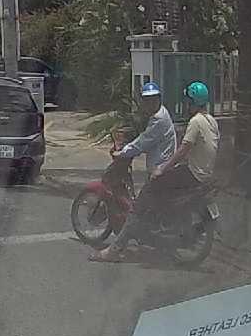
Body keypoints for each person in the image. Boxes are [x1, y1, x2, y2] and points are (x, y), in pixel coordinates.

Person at [92, 81, 217, 263]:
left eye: (187, 101)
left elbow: (181, 150)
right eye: (147, 100)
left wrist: (162, 169)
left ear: (192, 102)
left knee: (139, 205)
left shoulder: (194, 121)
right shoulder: (211, 121)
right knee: (156, 199)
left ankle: (114, 250)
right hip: (203, 174)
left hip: (190, 173)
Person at [91, 81, 178, 262]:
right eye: (147, 100)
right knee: (148, 208)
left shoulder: (158, 120)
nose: (150, 103)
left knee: (136, 212)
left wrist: (123, 152)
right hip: (164, 169)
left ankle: (114, 251)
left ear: (158, 99)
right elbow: (145, 138)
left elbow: (143, 142)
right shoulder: (161, 114)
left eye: (153, 99)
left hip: (159, 172)